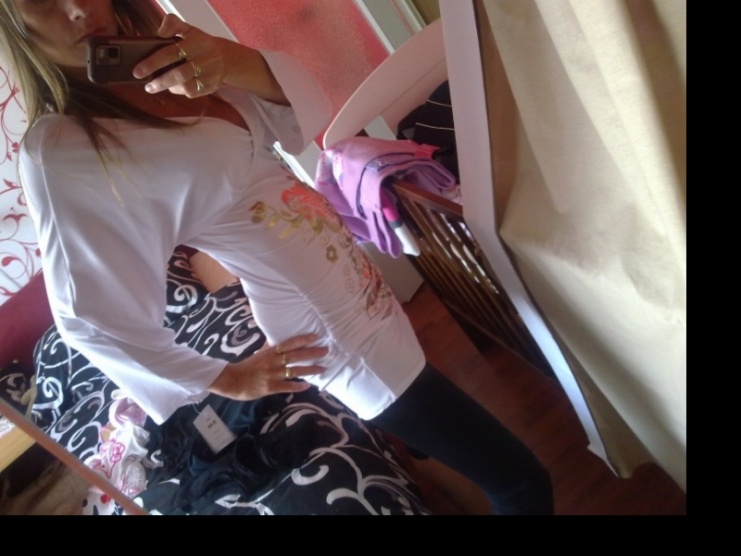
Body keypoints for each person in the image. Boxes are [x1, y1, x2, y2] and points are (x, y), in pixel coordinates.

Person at [1, 0, 553, 515]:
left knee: (435, 433)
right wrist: (225, 378)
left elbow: (302, 115)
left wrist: (231, 60)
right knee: (520, 480)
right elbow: (87, 318)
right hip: (331, 333)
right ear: (12, 22)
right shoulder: (60, 150)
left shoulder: (169, 57)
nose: (78, 8)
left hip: (359, 291)